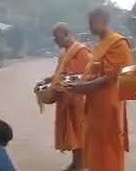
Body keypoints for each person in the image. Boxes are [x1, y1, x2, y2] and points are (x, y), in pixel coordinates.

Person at [66, 8, 133, 171]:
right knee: (96, 147)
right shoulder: (99, 46)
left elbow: (112, 77)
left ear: (103, 20)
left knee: (109, 146)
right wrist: (80, 80)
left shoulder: (118, 43)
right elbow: (95, 73)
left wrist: (83, 87)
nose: (89, 26)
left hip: (109, 105)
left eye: (92, 22)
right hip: (95, 106)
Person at [48, 22, 92, 171]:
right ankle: (75, 163)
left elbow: (85, 76)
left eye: (57, 37)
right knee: (72, 134)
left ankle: (81, 166)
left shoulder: (82, 52)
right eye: (54, 38)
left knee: (79, 133)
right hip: (66, 98)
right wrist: (49, 80)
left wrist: (61, 81)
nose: (55, 41)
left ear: (66, 34)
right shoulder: (64, 54)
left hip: (78, 100)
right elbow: (60, 74)